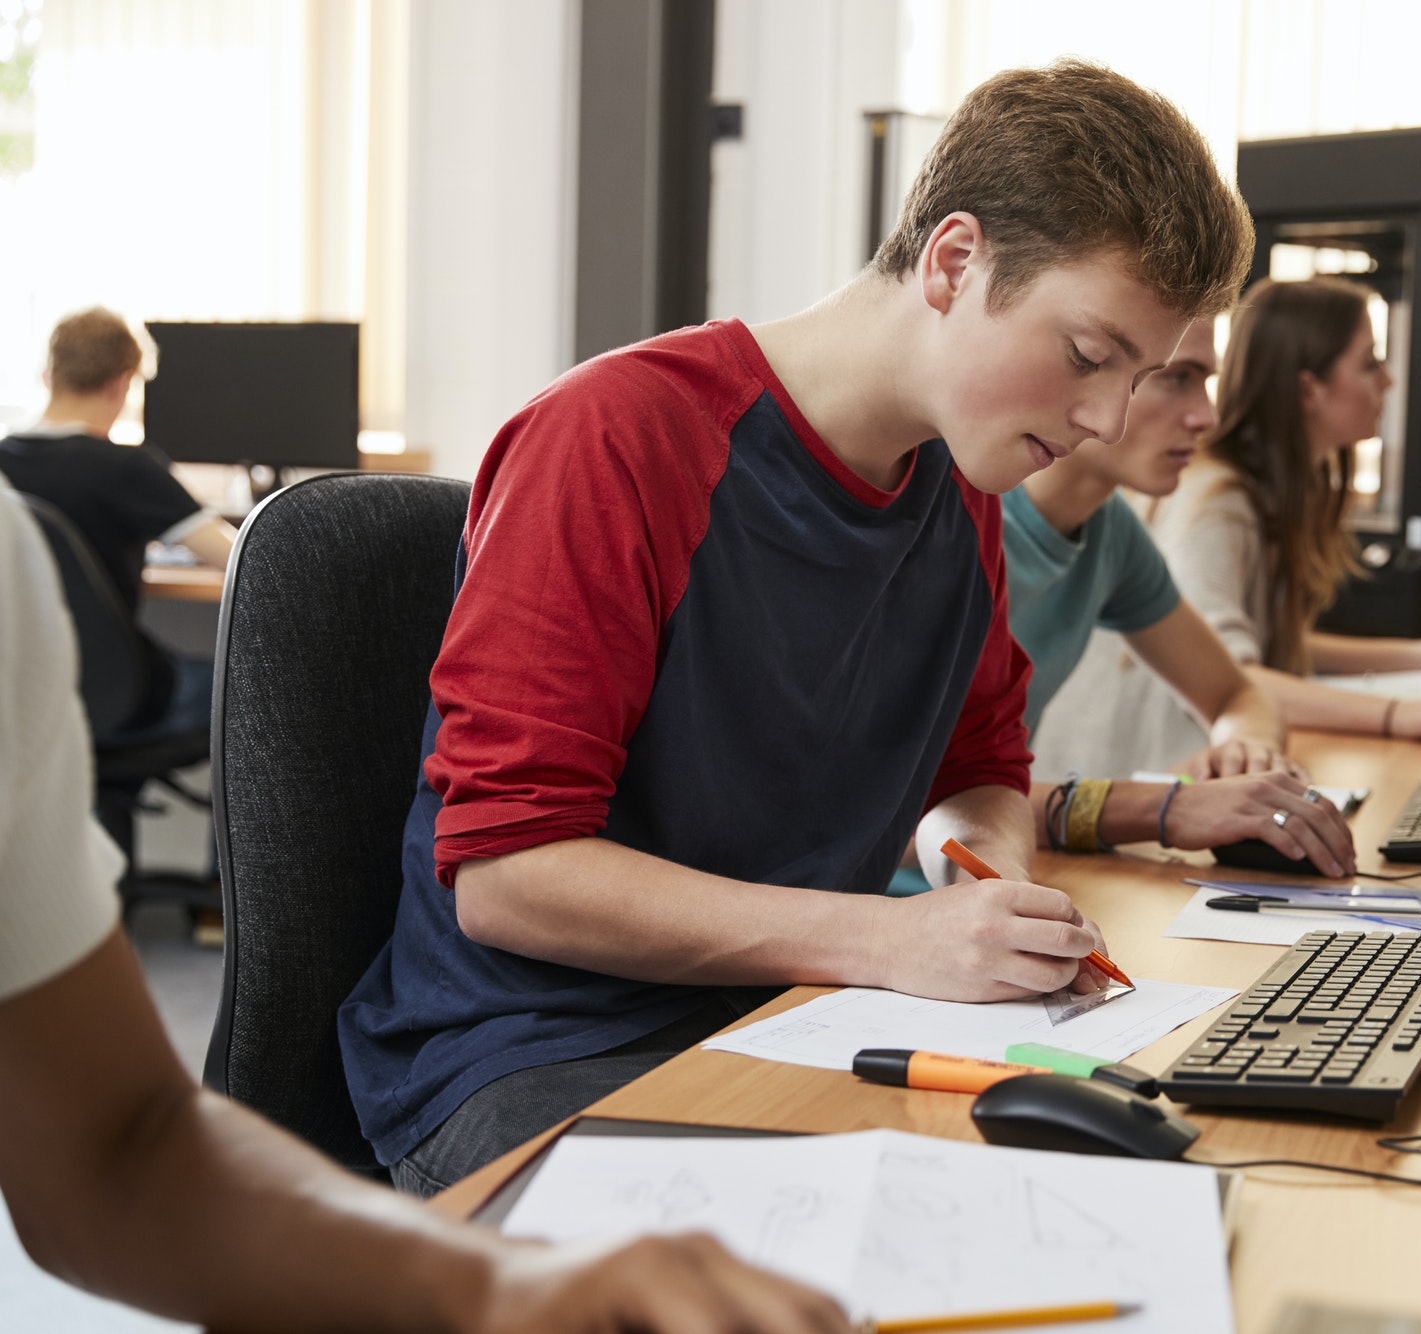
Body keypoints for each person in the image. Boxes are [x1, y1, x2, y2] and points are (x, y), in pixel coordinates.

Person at [339, 60, 1255, 1196]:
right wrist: (886, 938)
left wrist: (986, 880)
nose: (1105, 418)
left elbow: (977, 769)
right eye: (1086, 356)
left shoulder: (957, 488)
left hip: (788, 1016)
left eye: (1139, 377)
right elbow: (508, 873)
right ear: (953, 262)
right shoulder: (618, 438)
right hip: (535, 1051)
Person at [0, 481, 852, 1334]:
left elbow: (122, 1145)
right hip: (506, 1039)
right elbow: (504, 872)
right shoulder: (612, 453)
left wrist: (495, 1283)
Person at [1035, 276, 1421, 779]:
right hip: (1130, 783)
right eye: (1369, 362)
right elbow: (1232, 672)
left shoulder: (1145, 521)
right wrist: (1400, 714)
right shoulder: (1214, 501)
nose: (1388, 380)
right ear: (1307, 389)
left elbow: (1233, 657)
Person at [999, 316, 1355, 876]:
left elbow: (1237, 695)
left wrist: (1243, 751)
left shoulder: (1110, 531)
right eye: (1176, 378)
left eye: (1205, 382)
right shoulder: (963, 524)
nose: (1206, 417)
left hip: (1001, 876)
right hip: (896, 907)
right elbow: (913, 805)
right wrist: (1165, 808)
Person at [0, 307, 236, 740]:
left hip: (20, 688)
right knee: (242, 687)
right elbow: (245, 559)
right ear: (124, 383)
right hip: (111, 693)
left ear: (48, 376)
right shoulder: (127, 468)